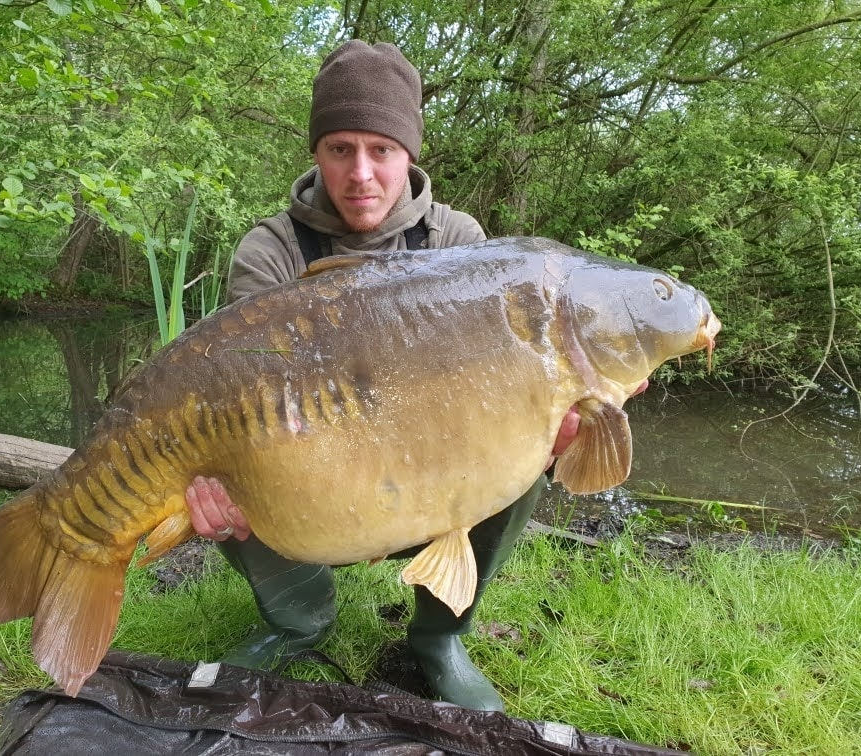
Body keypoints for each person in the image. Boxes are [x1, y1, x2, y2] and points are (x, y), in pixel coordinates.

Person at [184, 39, 578, 712]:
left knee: (524, 442)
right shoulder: (271, 251)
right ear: (317, 152)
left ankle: (440, 636)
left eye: (381, 150)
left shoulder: (458, 243)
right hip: (310, 479)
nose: (360, 173)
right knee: (222, 454)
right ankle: (297, 619)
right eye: (340, 149)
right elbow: (244, 395)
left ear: (410, 155)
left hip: (426, 472)